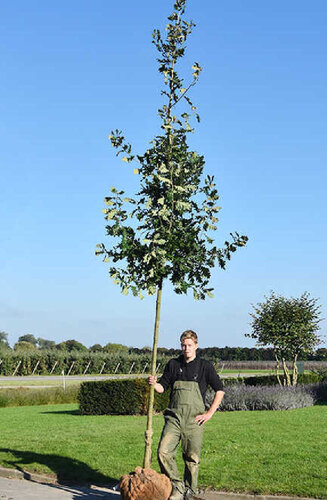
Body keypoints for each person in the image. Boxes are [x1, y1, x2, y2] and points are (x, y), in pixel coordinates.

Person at [148, 330, 225, 500]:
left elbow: (220, 390)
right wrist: (154, 384)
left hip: (194, 420)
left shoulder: (205, 366)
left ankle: (190, 490)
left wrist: (209, 413)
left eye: (189, 345)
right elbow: (162, 387)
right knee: (163, 452)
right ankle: (177, 486)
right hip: (174, 419)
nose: (186, 348)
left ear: (196, 346)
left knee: (192, 458)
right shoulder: (173, 364)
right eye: (183, 345)